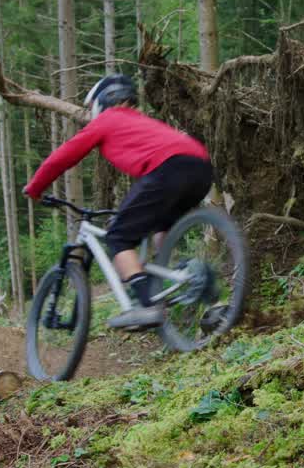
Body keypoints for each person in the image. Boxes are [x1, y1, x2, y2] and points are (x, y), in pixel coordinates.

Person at [23, 74, 213, 329]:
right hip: (200, 167)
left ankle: (146, 307)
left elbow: (63, 156)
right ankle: (190, 274)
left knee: (118, 238)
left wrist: (35, 187)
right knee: (160, 229)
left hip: (167, 169)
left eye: (91, 108)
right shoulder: (143, 121)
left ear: (102, 101)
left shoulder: (108, 120)